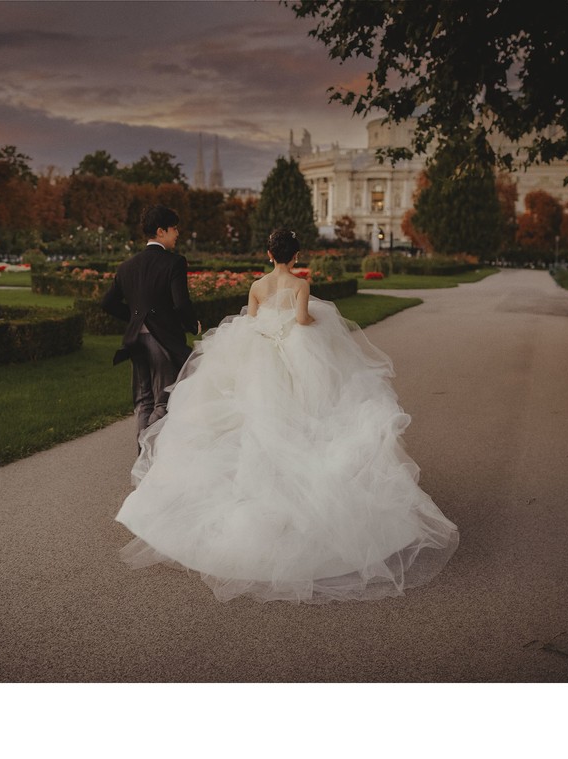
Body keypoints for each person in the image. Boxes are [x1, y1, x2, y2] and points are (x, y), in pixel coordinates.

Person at [114, 228, 459, 604]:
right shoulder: (299, 284)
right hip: (294, 355)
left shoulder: (258, 286)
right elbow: (302, 320)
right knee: (307, 416)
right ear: (296, 256)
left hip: (260, 356)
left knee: (247, 419)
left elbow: (252, 320)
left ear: (268, 254)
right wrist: (315, 323)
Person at [101, 205, 201, 443]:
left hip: (136, 341)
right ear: (161, 231)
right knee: (163, 402)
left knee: (144, 401)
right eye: (174, 229)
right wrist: (192, 324)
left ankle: (141, 458)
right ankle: (150, 456)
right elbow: (181, 304)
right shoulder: (175, 262)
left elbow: (108, 303)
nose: (178, 234)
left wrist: (138, 318)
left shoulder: (127, 266)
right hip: (162, 340)